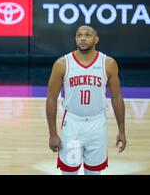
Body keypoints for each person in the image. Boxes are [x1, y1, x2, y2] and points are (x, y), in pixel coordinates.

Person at [46, 25, 127, 175]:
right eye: (79, 35)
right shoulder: (62, 64)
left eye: (88, 35)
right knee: (69, 172)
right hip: (72, 124)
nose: (82, 38)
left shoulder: (108, 63)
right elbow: (51, 98)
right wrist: (52, 133)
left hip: (97, 124)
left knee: (94, 172)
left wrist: (121, 130)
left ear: (96, 39)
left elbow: (116, 97)